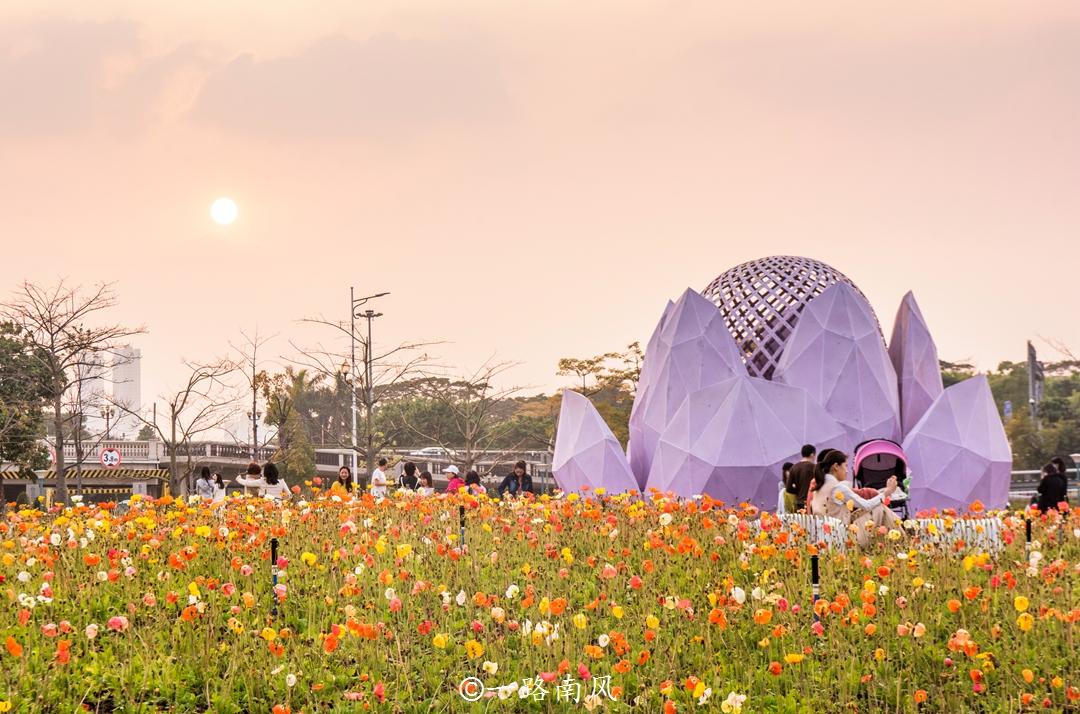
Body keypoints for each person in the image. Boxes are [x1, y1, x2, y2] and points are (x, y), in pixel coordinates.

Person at [810, 450, 900, 547]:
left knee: (875, 508)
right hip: (843, 540)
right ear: (836, 466)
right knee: (879, 508)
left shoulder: (818, 489)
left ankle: (899, 536)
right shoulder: (837, 488)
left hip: (825, 538)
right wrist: (887, 492)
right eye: (846, 466)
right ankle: (901, 537)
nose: (847, 471)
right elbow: (867, 505)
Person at [786, 445, 817, 511]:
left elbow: (788, 488)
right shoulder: (814, 468)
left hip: (799, 502)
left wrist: (798, 491)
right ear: (812, 454)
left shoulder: (794, 467)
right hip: (812, 502)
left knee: (802, 520)